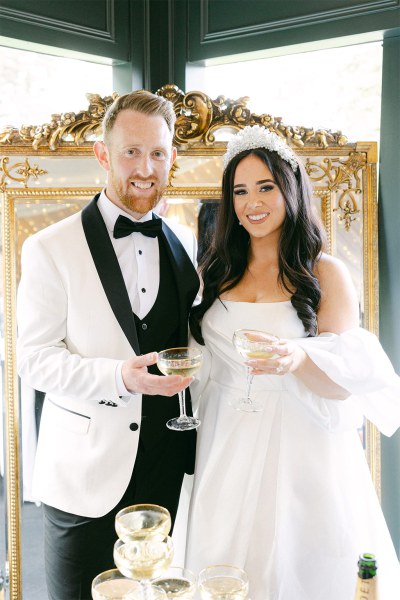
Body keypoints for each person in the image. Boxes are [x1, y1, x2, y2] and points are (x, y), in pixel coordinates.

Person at [185, 125, 400, 599]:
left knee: (298, 563)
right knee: (223, 563)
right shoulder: (216, 269)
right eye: (240, 191)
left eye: (266, 186)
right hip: (225, 437)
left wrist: (296, 357)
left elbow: (343, 384)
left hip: (301, 441)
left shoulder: (326, 273)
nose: (252, 202)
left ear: (291, 189)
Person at [16, 90, 200, 600]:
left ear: (172, 158)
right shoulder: (50, 247)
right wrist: (117, 377)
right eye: (131, 151)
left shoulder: (184, 240)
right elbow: (32, 359)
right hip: (83, 477)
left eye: (158, 153)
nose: (146, 167)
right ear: (102, 154)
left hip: (166, 473)